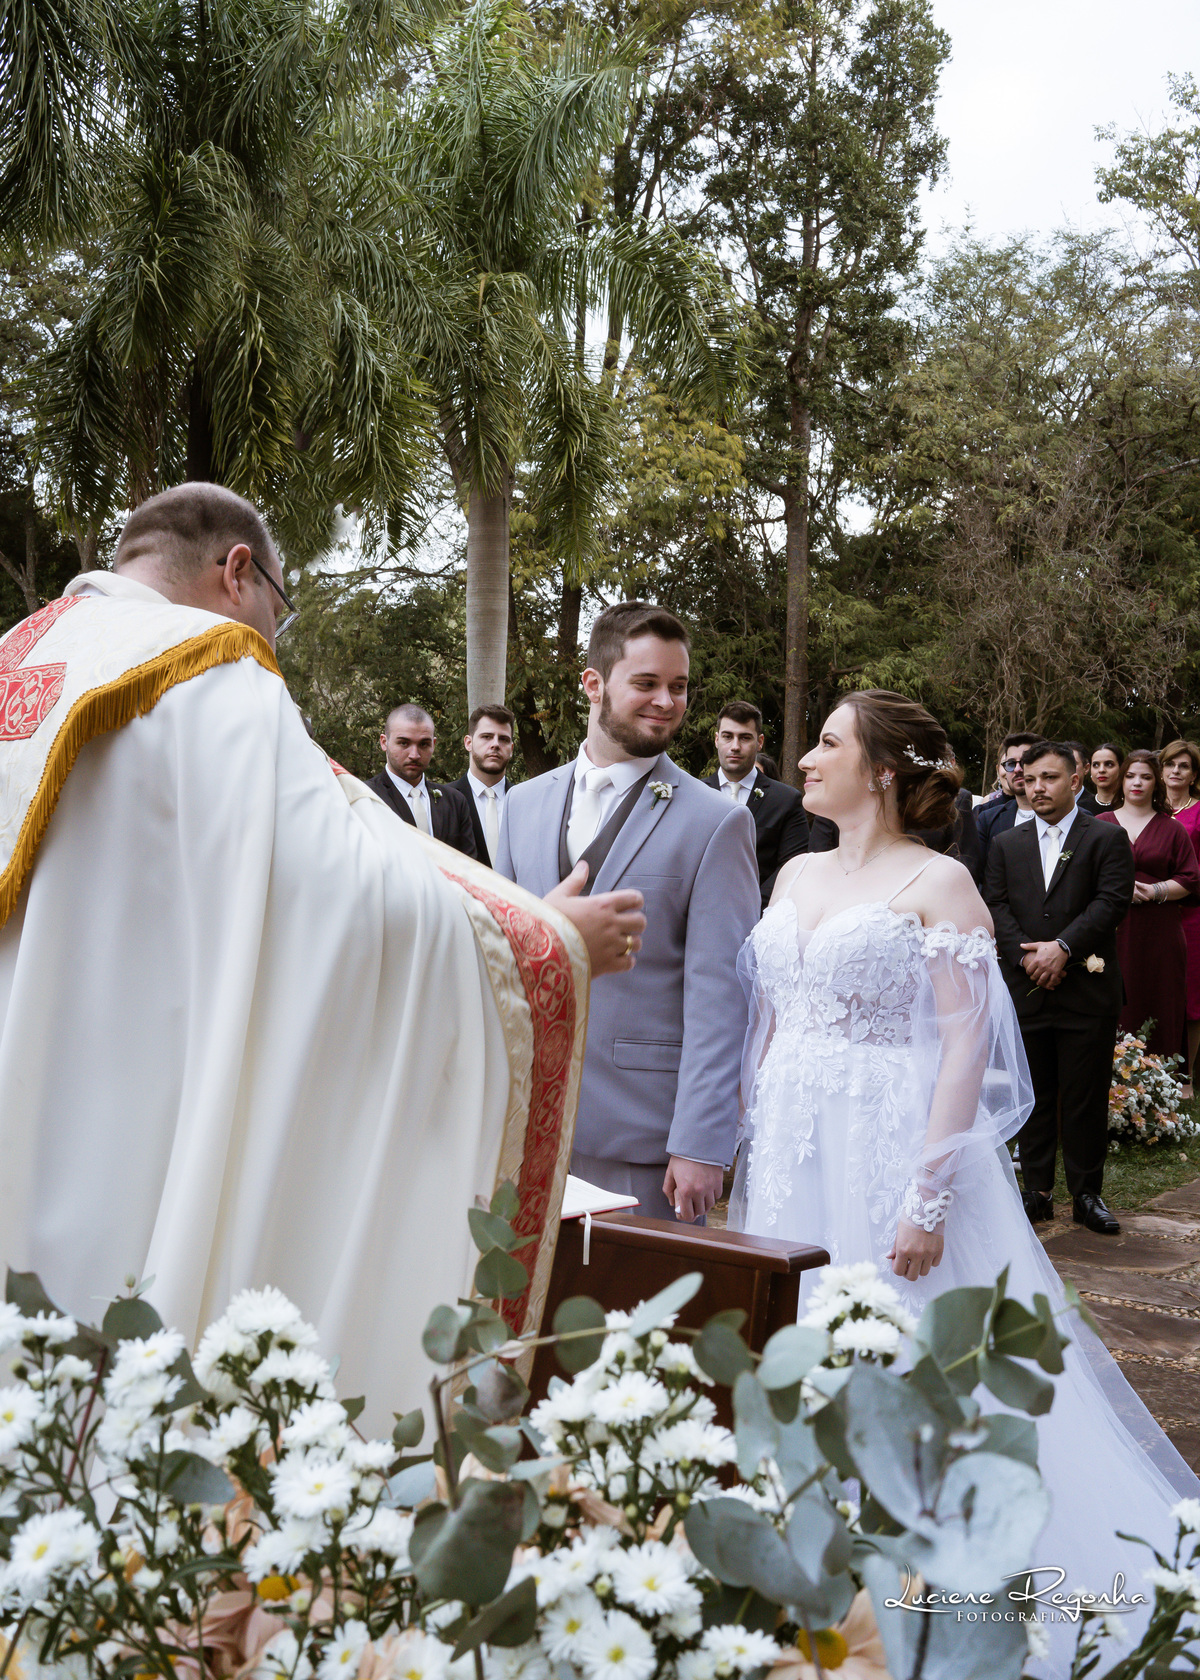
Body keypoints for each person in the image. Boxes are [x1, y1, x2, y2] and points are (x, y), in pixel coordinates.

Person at [0, 483, 646, 1427]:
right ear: (236, 573)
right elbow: (344, 904)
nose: (272, 638)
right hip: (146, 1124)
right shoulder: (209, 676)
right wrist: (544, 946)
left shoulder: (26, 661)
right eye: (277, 609)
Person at [727, 692, 1197, 1668]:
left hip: (889, 1145)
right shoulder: (797, 871)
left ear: (883, 770)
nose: (805, 759)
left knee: (908, 1358)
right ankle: (824, 1583)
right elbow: (767, 1020)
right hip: (791, 1147)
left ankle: (946, 1597)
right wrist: (749, 1135)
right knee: (805, 1342)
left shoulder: (940, 883)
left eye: (826, 744)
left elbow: (961, 1047)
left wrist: (929, 1192)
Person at [496, 601, 760, 1223]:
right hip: (524, 1123)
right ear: (594, 683)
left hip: (643, 1139)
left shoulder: (717, 821)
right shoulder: (523, 804)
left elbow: (721, 993)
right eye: (646, 684)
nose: (667, 701)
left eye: (679, 687)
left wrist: (700, 1143)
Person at [985, 741, 1133, 1234]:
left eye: (1049, 777)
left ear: (1076, 780)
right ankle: (1038, 1191)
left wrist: (1062, 948)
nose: (1037, 787)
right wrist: (1029, 957)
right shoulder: (1008, 842)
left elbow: (1111, 902)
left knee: (1085, 1094)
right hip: (1028, 985)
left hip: (1085, 990)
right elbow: (996, 905)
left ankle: (1087, 1193)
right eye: (1030, 779)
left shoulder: (1106, 838)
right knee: (1036, 1093)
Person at [1097, 748, 1200, 1063]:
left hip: (1160, 930)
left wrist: (1155, 890)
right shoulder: (1099, 824)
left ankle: (1158, 1079)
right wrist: (1116, 890)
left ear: (1156, 783)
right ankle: (1108, 1077)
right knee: (1112, 999)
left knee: (1159, 998)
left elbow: (1191, 878)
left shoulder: (1173, 829)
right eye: (1130, 776)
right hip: (1110, 929)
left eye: (1145, 777)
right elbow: (1081, 876)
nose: (1137, 783)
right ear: (1121, 780)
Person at [704, 701, 810, 909]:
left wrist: (747, 906)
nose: (735, 746)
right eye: (727, 736)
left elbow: (792, 866)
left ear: (760, 742)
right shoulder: (695, 795)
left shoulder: (786, 800)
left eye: (745, 738)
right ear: (717, 740)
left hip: (760, 915)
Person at [367, 704, 477, 857]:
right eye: (404, 743)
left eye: (423, 744)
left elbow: (469, 867)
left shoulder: (455, 802)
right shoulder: (367, 797)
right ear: (384, 742)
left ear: (433, 744)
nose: (414, 754)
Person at [1163, 738, 1200, 1097]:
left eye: (1184, 766)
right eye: (1171, 764)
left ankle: (1185, 1076)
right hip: (1144, 916)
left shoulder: (1199, 812)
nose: (1176, 771)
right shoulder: (1150, 811)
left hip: (1190, 914)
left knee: (1190, 997)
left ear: (1193, 774)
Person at [451, 703, 516, 868]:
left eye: (503, 739)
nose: (495, 744)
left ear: (511, 749)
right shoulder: (445, 800)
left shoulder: (526, 802)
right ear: (468, 743)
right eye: (486, 736)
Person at [974, 731, 1039, 869]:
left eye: (1024, 762)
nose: (1017, 769)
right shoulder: (988, 819)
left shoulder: (1070, 816)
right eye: (1010, 764)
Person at [1079, 741, 1122, 813]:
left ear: (1121, 768)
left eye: (1109, 764)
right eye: (1096, 765)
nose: (1101, 770)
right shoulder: (1080, 809)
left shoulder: (1130, 806)